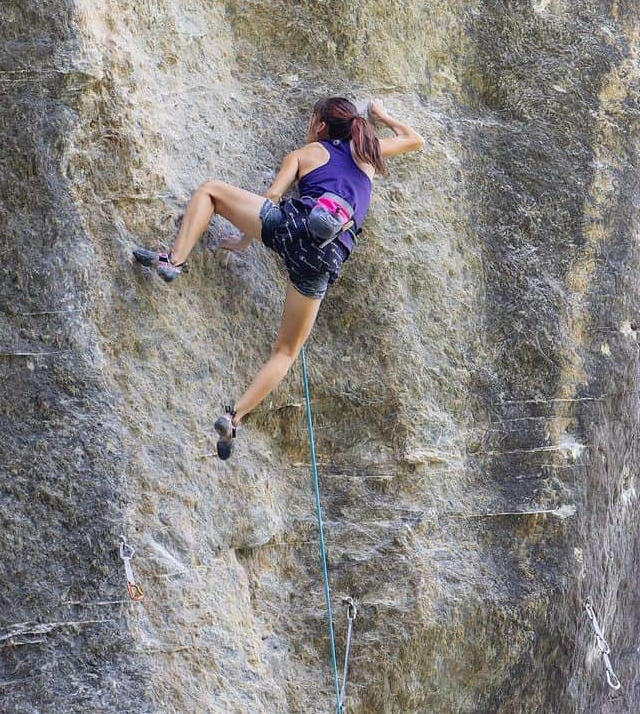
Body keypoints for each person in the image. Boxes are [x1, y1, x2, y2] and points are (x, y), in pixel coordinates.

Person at [133, 96, 424, 459]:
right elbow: (414, 139)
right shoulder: (368, 152)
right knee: (287, 351)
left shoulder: (305, 153)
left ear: (320, 125)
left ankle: (174, 260)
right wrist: (380, 115)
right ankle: (234, 416)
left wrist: (244, 239)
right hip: (326, 257)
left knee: (210, 190)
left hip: (290, 227)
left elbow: (271, 196)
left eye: (311, 118)